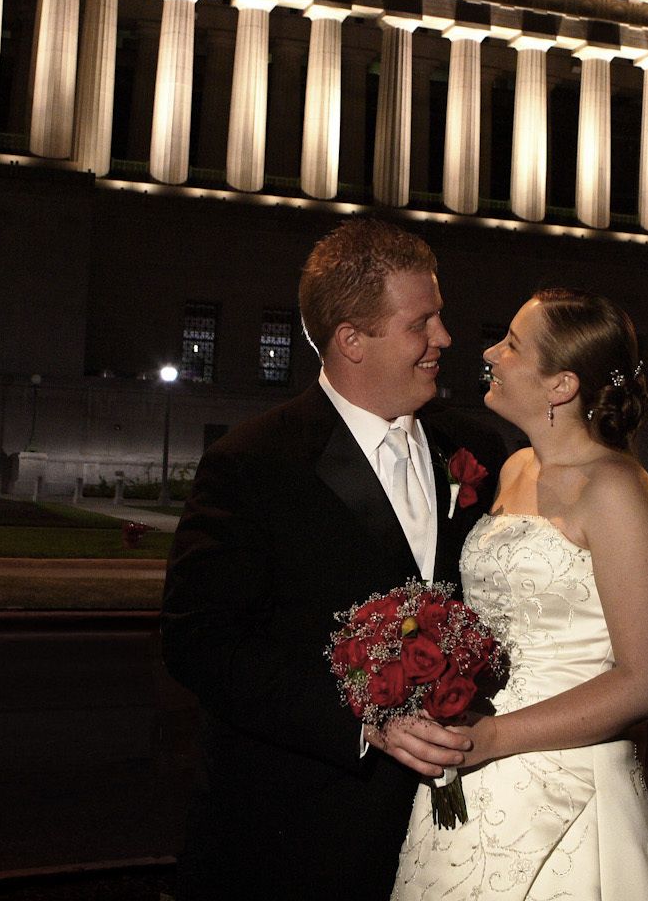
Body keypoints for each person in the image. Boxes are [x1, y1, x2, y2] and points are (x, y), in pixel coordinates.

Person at [161, 218, 508, 900]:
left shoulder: (477, 450)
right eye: (423, 322)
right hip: (301, 834)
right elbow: (201, 641)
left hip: (466, 828)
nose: (444, 338)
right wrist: (363, 720)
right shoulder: (253, 464)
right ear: (352, 339)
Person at [392, 288, 648, 899]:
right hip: (475, 767)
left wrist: (495, 737)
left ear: (561, 387)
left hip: (567, 777)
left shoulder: (614, 490)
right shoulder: (516, 467)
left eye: (513, 346)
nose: (490, 353)